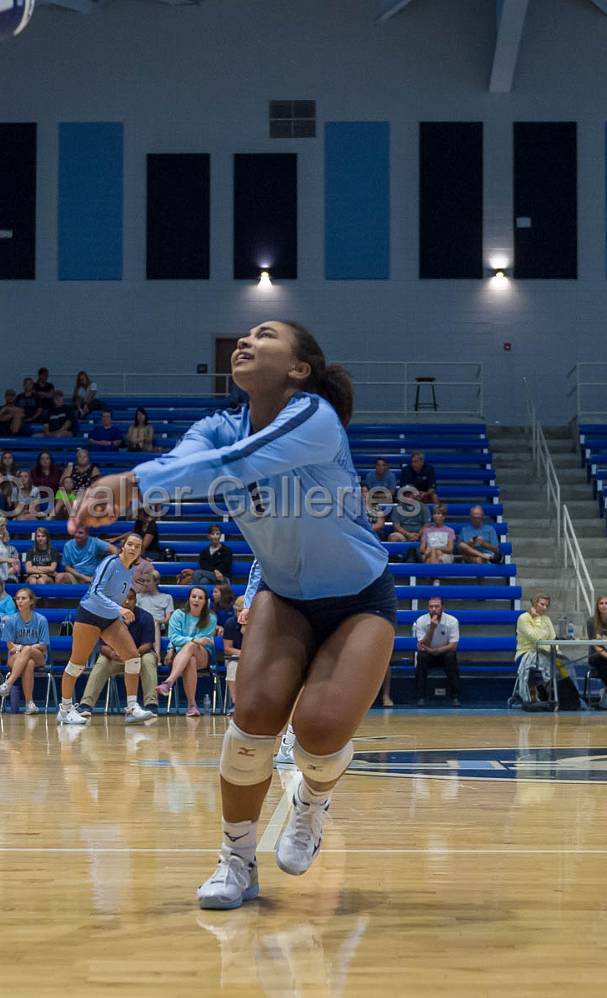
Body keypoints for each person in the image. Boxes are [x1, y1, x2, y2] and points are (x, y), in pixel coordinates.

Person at [70, 320, 395, 910]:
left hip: (359, 599)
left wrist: (131, 484)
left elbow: (237, 464)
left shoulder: (314, 416)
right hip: (283, 594)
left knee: (319, 735)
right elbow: (197, 461)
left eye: (265, 335)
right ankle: (236, 862)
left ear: (299, 369)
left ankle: (312, 802)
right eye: (243, 335)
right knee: (252, 723)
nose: (246, 340)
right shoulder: (217, 425)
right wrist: (139, 487)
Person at [52, 532, 155, 726]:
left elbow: (114, 599)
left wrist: (117, 612)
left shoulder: (129, 571)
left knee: (133, 658)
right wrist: (121, 610)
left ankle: (132, 708)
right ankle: (65, 710)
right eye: (130, 545)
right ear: (123, 546)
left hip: (109, 619)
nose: (133, 548)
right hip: (89, 615)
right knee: (77, 664)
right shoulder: (111, 562)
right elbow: (95, 592)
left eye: (137, 546)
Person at [79, 589, 159, 716]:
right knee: (102, 660)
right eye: (124, 598)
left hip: (140, 656)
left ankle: (151, 704)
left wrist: (130, 654)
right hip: (115, 658)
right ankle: (85, 704)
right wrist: (112, 654)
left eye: (131, 598)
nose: (127, 602)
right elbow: (102, 646)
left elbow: (148, 645)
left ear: (136, 601)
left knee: (149, 659)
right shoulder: (108, 617)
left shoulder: (146, 617)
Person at [158, 587, 217, 716]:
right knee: (190, 660)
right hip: (182, 655)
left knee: (191, 646)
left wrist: (193, 641)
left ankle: (169, 682)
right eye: (194, 596)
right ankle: (192, 706)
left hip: (203, 654)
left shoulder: (211, 618)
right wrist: (194, 640)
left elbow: (203, 642)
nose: (196, 600)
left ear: (205, 602)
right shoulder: (178, 614)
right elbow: (173, 638)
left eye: (200, 598)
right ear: (189, 599)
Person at [0, 587, 49, 715]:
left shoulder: (41, 620)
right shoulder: (11, 620)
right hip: (15, 655)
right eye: (17, 598)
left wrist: (25, 648)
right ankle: (29, 704)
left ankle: (8, 683)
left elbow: (43, 646)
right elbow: (9, 645)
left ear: (31, 601)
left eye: (23, 598)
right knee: (28, 664)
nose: (20, 601)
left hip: (38, 656)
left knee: (28, 650)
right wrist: (21, 649)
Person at [413, 596, 460, 707]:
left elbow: (453, 645)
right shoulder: (421, 621)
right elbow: (422, 645)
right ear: (428, 607)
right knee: (421, 656)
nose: (434, 609)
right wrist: (432, 628)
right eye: (431, 606)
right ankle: (421, 697)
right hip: (428, 654)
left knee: (451, 656)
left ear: (442, 607)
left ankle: (455, 697)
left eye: (436, 606)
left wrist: (436, 651)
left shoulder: (452, 621)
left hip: (444, 653)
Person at [515, 593, 558, 703]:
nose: (545, 608)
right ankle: (532, 696)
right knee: (535, 661)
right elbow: (536, 638)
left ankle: (566, 695)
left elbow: (553, 638)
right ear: (534, 604)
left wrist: (556, 651)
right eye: (542, 604)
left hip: (546, 653)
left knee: (563, 662)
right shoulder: (523, 618)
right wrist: (537, 619)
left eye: (546, 606)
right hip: (525, 654)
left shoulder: (547, 619)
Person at [221, 595, 246, 711]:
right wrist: (244, 654)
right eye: (238, 611)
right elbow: (227, 648)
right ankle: (235, 703)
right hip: (235, 658)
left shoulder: (258, 624)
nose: (239, 614)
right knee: (232, 667)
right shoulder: (230, 623)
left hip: (254, 659)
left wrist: (245, 630)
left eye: (242, 611)